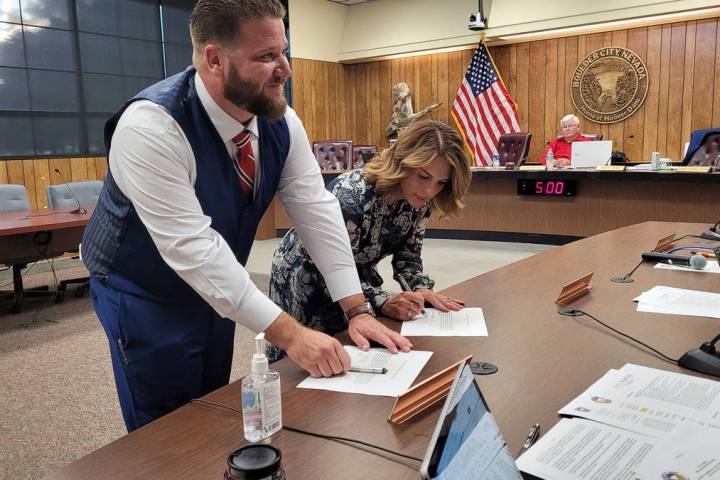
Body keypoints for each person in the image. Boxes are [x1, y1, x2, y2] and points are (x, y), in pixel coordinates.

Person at [80, 0, 411, 432]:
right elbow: (195, 251)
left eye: (284, 51)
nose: (286, 69)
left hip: (218, 283)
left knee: (213, 402)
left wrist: (356, 309)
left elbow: (317, 212)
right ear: (214, 59)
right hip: (143, 290)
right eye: (266, 57)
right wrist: (292, 336)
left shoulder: (281, 122)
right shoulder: (150, 127)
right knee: (165, 424)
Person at [267, 120, 471, 361]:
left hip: (355, 278)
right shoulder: (352, 196)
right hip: (305, 276)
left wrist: (420, 287)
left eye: (441, 183)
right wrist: (382, 301)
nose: (429, 191)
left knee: (353, 357)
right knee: (302, 358)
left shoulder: (419, 201)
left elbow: (409, 255)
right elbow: (327, 269)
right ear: (402, 162)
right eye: (424, 176)